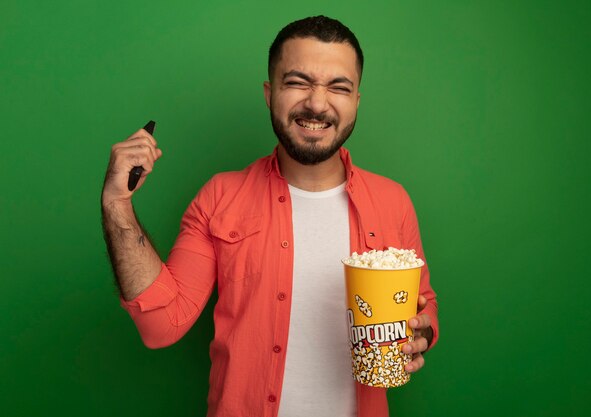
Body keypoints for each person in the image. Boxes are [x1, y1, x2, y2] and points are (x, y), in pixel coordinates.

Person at [101, 15, 438, 417]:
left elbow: (423, 304)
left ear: (356, 101)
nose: (317, 102)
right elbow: (160, 325)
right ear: (269, 92)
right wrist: (117, 206)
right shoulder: (220, 196)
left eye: (338, 87)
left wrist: (422, 334)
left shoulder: (392, 201)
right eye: (297, 82)